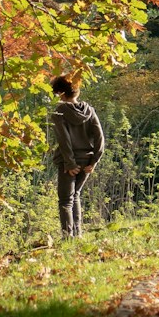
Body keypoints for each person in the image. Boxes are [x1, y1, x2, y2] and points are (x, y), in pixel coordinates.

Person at [49, 76, 104, 239]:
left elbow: (64, 139)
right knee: (76, 195)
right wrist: (94, 160)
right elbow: (100, 137)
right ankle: (77, 235)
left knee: (66, 200)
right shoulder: (89, 110)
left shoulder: (59, 111)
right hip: (87, 160)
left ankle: (68, 237)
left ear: (59, 93)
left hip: (69, 162)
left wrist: (70, 162)